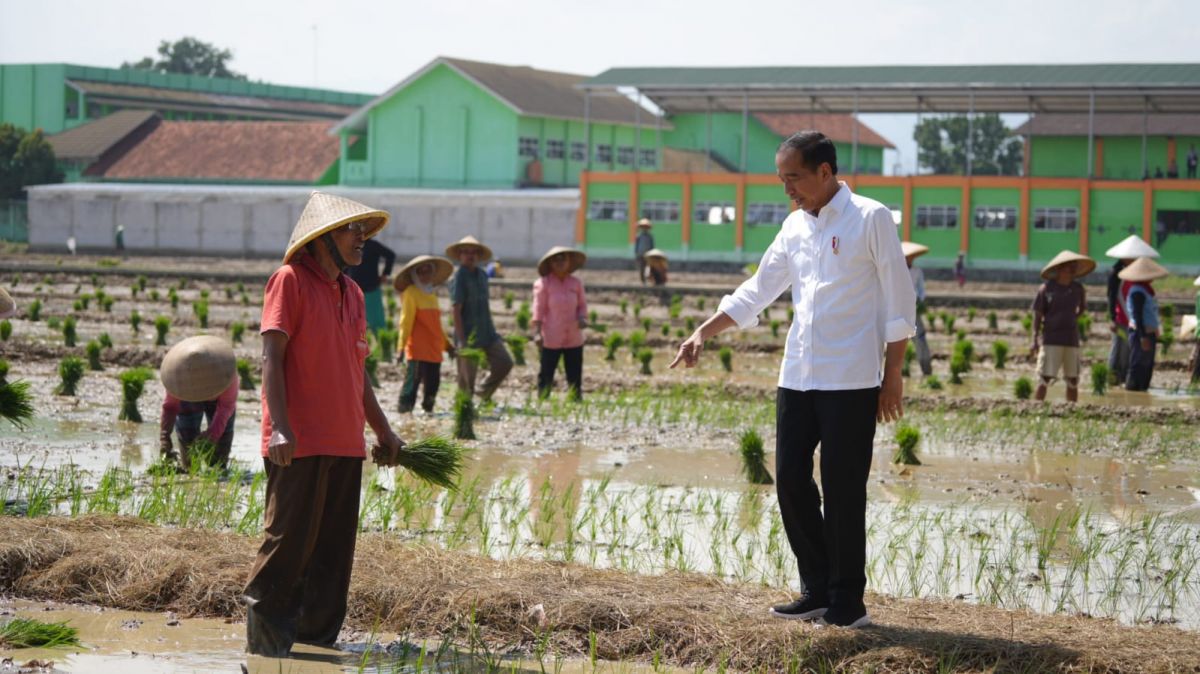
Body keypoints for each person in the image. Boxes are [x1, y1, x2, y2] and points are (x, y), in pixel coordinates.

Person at [670, 131, 914, 629]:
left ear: (825, 171)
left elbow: (899, 300)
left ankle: (849, 601)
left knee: (844, 490)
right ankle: (817, 589)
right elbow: (757, 290)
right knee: (789, 482)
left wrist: (893, 376)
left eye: (794, 178)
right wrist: (703, 331)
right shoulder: (793, 228)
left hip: (851, 377)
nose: (788, 190)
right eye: (782, 180)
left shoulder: (871, 218)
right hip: (798, 375)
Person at [242, 191, 405, 657]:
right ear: (321, 239)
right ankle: (265, 651)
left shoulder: (352, 293)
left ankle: (314, 647)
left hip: (345, 442)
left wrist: (383, 431)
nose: (362, 240)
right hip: (298, 440)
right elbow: (272, 356)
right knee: (287, 545)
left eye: (362, 231)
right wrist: (279, 427)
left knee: (334, 554)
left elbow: (359, 373)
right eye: (352, 230)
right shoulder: (289, 280)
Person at [446, 235, 512, 402]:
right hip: (467, 334)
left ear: (479, 255)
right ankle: (465, 413)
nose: (470, 255)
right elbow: (456, 310)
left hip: (487, 332)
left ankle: (483, 392)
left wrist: (493, 331)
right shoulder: (459, 277)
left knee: (504, 363)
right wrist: (461, 340)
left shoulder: (483, 275)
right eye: (466, 252)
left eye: (474, 252)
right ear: (460, 255)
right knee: (466, 379)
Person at [158, 335, 239, 471]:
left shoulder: (226, 376)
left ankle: (218, 467)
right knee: (188, 443)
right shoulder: (177, 379)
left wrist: (212, 435)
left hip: (219, 399)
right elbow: (170, 407)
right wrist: (164, 437)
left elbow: (226, 408)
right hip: (186, 397)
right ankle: (190, 468)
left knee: (220, 449)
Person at [1030, 250, 1094, 403]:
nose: (1070, 271)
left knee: (1073, 378)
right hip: (1051, 338)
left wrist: (1073, 318)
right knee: (1045, 376)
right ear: (1058, 269)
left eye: (1073, 268)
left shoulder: (1078, 289)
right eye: (1067, 267)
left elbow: (1083, 308)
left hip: (1071, 339)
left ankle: (1071, 410)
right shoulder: (1046, 289)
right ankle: (1035, 407)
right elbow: (1038, 315)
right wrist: (1034, 339)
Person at [395, 255, 455, 414]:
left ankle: (428, 412)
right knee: (411, 384)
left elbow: (436, 325)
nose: (425, 275)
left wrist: (448, 345)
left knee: (433, 385)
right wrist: (401, 347)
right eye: (421, 272)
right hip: (417, 349)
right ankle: (404, 414)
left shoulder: (431, 294)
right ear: (415, 274)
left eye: (428, 271)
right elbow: (405, 321)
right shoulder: (411, 292)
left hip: (434, 349)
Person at [532, 246, 588, 401]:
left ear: (569, 262)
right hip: (551, 336)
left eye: (563, 258)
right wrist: (537, 333)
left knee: (574, 371)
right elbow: (539, 309)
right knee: (547, 372)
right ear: (550, 264)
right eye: (555, 260)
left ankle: (575, 400)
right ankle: (543, 401)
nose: (560, 262)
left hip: (574, 335)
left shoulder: (576, 284)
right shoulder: (543, 284)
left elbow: (582, 305)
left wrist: (583, 318)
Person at [1103, 235, 1159, 384]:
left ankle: (1127, 380)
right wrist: (1112, 318)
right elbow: (1112, 297)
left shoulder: (1139, 275)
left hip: (1135, 320)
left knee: (1132, 352)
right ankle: (1114, 379)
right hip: (1121, 317)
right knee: (1119, 349)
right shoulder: (1116, 274)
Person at [1120, 257, 1170, 391]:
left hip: (1148, 331)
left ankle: (1142, 389)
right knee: (1138, 363)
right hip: (1140, 332)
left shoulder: (1145, 289)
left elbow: (1149, 312)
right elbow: (1137, 315)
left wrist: (1155, 329)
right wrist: (1142, 337)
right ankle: (1132, 391)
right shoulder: (1138, 291)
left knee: (1147, 363)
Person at [346, 237, 396, 333]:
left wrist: (385, 273)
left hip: (371, 290)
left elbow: (390, 255)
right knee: (352, 325)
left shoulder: (372, 245)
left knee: (378, 325)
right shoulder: (349, 245)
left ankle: (383, 346)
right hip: (352, 291)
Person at [902, 241, 933, 376]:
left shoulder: (917, 271)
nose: (911, 259)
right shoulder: (897, 271)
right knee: (897, 340)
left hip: (913, 310)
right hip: (899, 310)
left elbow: (921, 289)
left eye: (912, 257)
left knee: (920, 338)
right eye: (908, 256)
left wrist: (920, 299)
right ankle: (901, 370)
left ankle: (926, 368)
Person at [634, 218, 655, 285]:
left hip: (648, 255)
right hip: (640, 254)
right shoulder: (639, 236)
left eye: (645, 227)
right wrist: (636, 254)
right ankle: (643, 281)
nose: (644, 228)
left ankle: (649, 280)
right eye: (643, 227)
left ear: (648, 228)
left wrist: (652, 254)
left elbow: (652, 246)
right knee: (642, 268)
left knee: (648, 268)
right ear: (641, 228)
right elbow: (636, 246)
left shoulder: (650, 236)